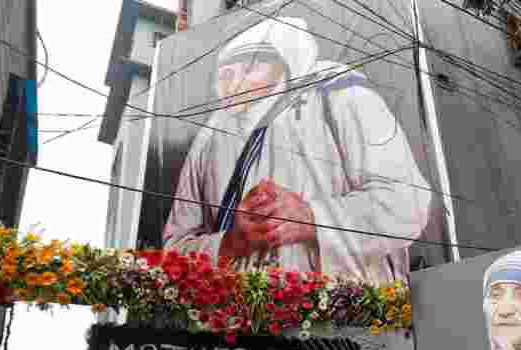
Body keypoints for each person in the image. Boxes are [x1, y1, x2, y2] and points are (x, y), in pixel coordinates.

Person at [162, 16, 434, 285]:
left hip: (349, 317)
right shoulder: (210, 136)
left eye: (251, 67)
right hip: (233, 320)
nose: (234, 84)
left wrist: (311, 218)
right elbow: (174, 249)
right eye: (226, 74)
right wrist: (232, 243)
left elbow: (407, 203)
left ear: (287, 63)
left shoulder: (339, 89)